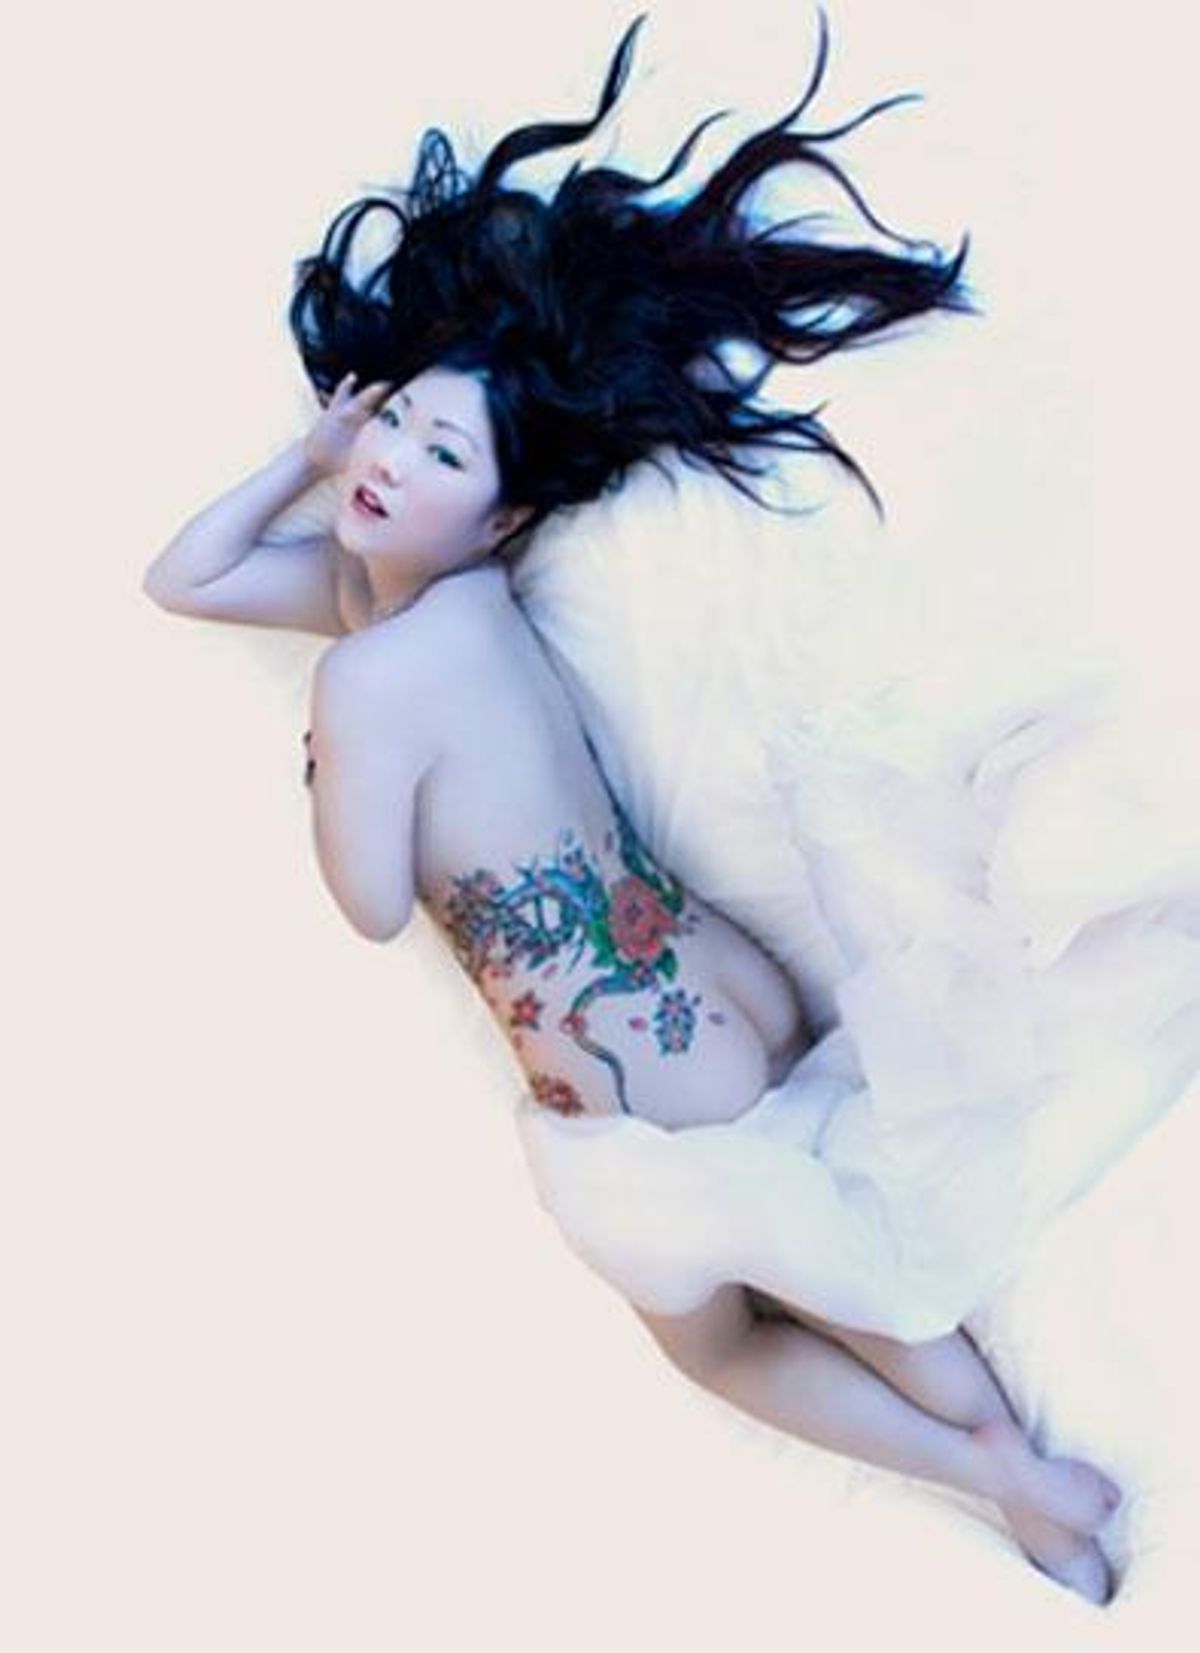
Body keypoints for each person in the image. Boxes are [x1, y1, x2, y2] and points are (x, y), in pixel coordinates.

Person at [142, 12, 1125, 1603]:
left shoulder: (366, 671)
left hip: (636, 1073)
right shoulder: (428, 607)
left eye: (437, 449)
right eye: (387, 423)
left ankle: (1012, 1476)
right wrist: (302, 456)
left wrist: (328, 760)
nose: (386, 459)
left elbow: (370, 900)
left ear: (504, 511)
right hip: (713, 988)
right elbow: (181, 581)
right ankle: (1033, 1483)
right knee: (846, 1255)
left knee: (728, 1340)